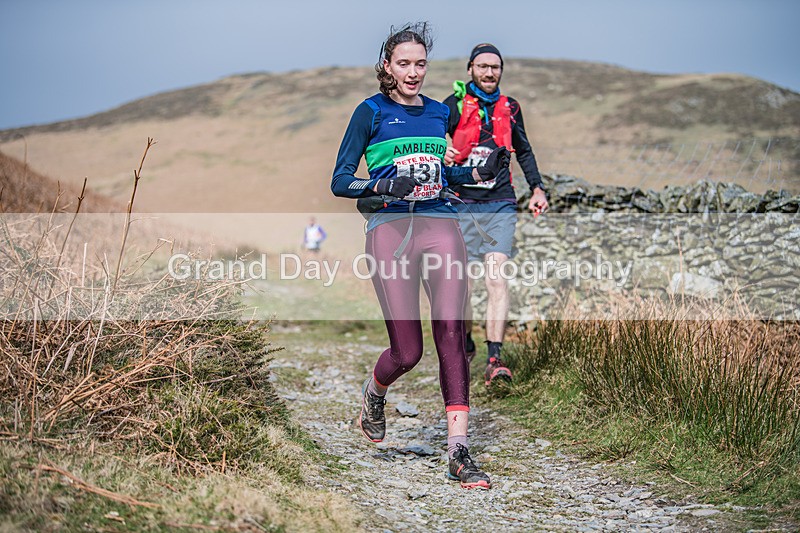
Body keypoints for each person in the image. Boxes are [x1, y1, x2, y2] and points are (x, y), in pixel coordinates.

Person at [331, 24, 510, 490]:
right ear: (387, 66)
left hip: (440, 224)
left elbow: (445, 168)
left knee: (452, 332)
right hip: (390, 230)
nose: (413, 72)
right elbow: (340, 181)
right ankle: (375, 392)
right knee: (408, 351)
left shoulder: (437, 113)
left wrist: (476, 169)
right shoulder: (369, 113)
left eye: (421, 64)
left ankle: (458, 452)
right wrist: (381, 185)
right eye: (404, 63)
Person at [443, 43, 549, 387]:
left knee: (496, 279)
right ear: (470, 69)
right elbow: (430, 140)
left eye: (496, 67)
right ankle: (468, 340)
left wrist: (537, 188)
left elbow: (525, 149)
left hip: (500, 203)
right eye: (483, 67)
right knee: (462, 285)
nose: (490, 73)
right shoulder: (452, 106)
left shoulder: (511, 107)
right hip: (461, 204)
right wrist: (440, 146)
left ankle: (494, 358)